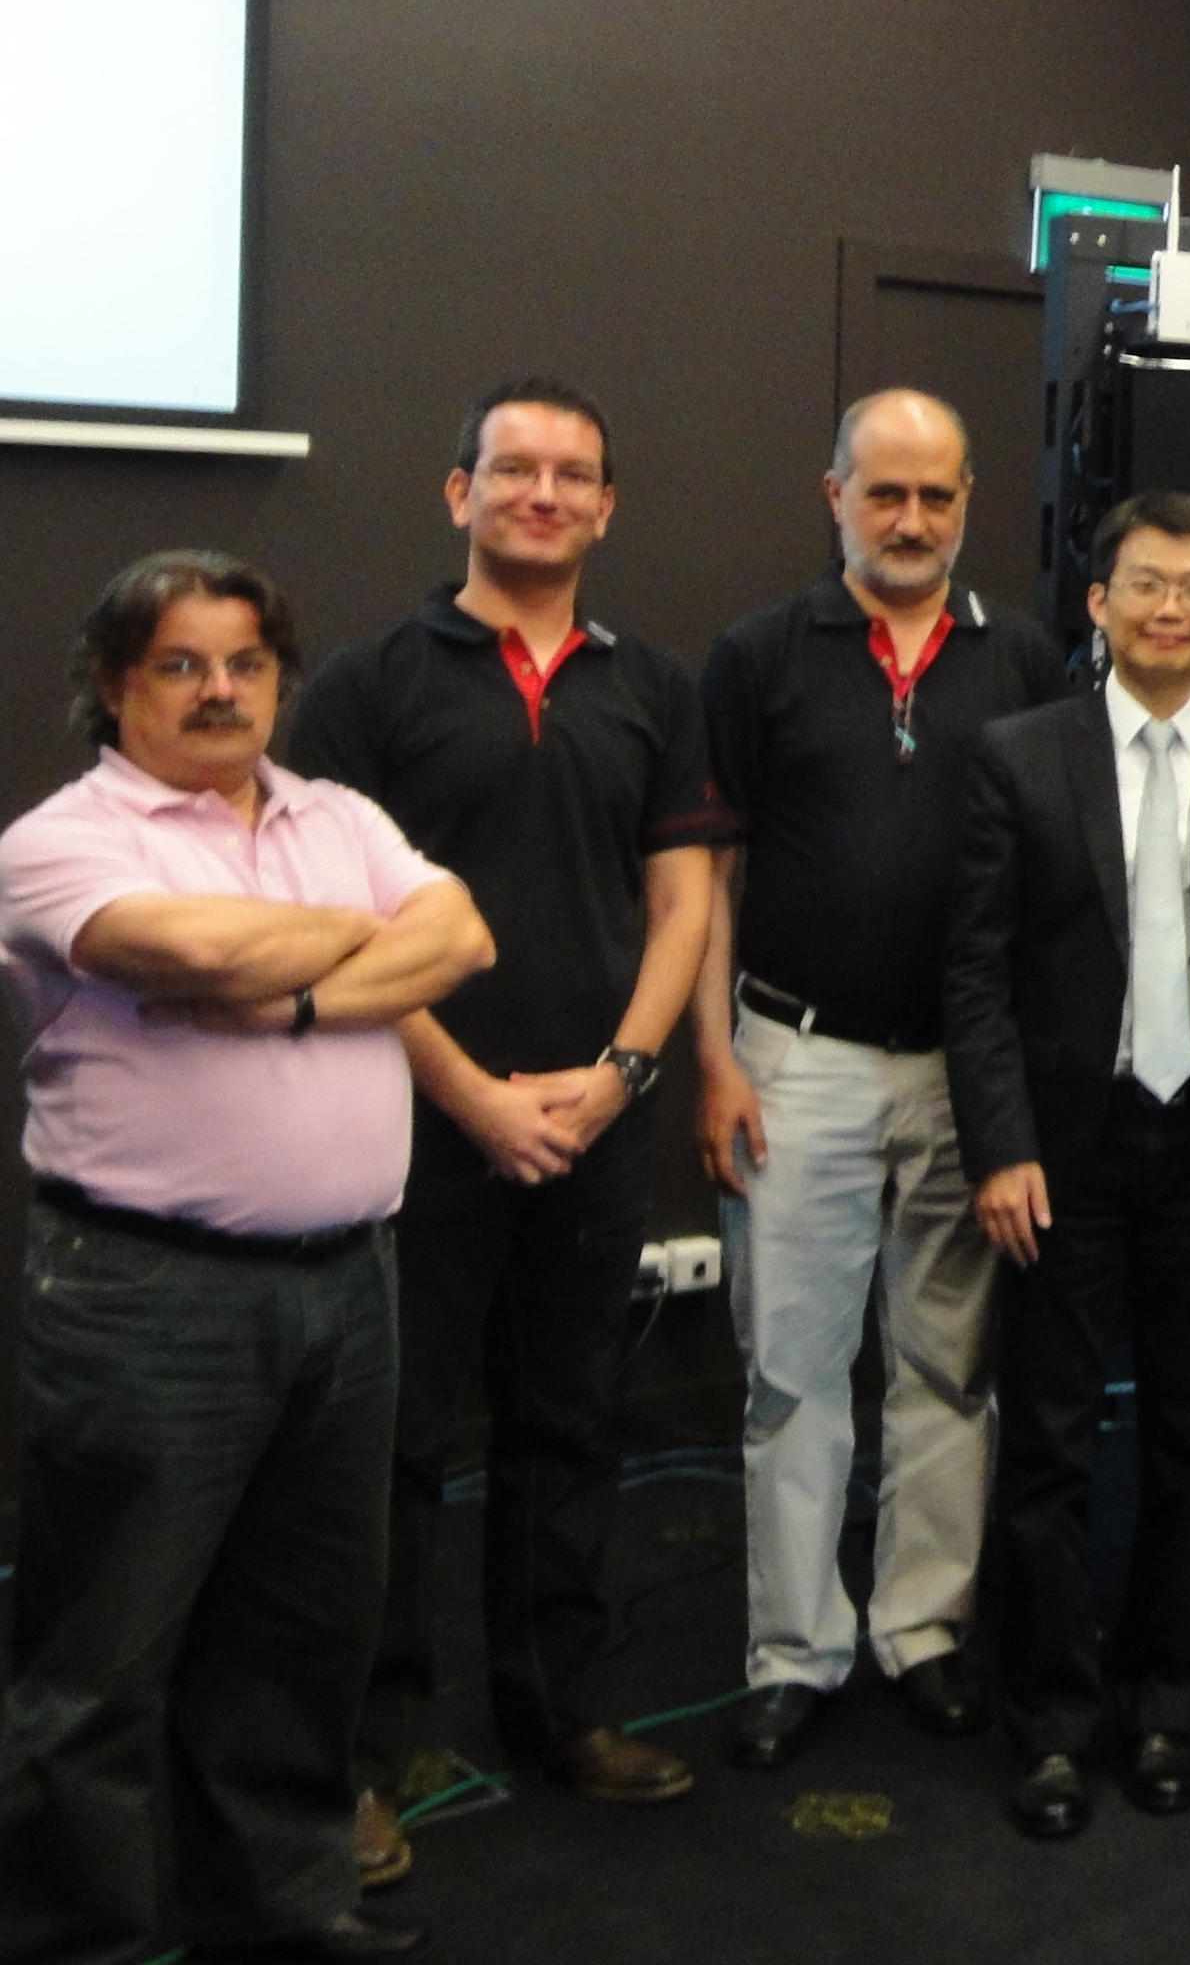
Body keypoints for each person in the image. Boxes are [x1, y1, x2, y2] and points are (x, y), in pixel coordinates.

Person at [1, 551, 494, 1965]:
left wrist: (295, 1001)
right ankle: (74, 1940)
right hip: (148, 1299)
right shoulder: (60, 840)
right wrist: (362, 941)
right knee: (98, 1663)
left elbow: (463, 937)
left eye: (246, 664)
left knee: (299, 1637)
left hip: (349, 1287)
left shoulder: (337, 813)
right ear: (115, 685)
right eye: (181, 664)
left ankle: (281, 1912)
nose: (220, 691)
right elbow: (191, 950)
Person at [283, 379, 731, 1866]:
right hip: (415, 1126)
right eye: (515, 468)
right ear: (458, 493)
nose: (544, 493)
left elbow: (683, 902)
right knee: (393, 1445)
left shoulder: (653, 687)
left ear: (606, 507)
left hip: (596, 1124)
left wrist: (621, 1076)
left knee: (570, 1427)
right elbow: (334, 924)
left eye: (572, 474)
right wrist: (469, 1095)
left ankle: (564, 1712)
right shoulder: (371, 685)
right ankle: (364, 1758)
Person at [693, 389, 1075, 1769]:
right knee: (792, 1376)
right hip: (795, 1061)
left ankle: (923, 1630)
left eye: (936, 497)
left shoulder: (1022, 656)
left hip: (968, 1074)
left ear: (969, 503)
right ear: (835, 495)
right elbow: (709, 873)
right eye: (884, 494)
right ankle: (795, 1650)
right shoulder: (758, 656)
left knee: (948, 1370)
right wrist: (712, 1059)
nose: (910, 521)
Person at [944, 492, 1190, 1841]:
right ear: (1097, 603)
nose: (1172, 607)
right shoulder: (1018, 756)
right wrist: (1000, 1149)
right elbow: (976, 974)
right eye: (1146, 583)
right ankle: (1050, 1721)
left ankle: (1167, 1705)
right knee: (1048, 1440)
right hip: (1064, 1149)